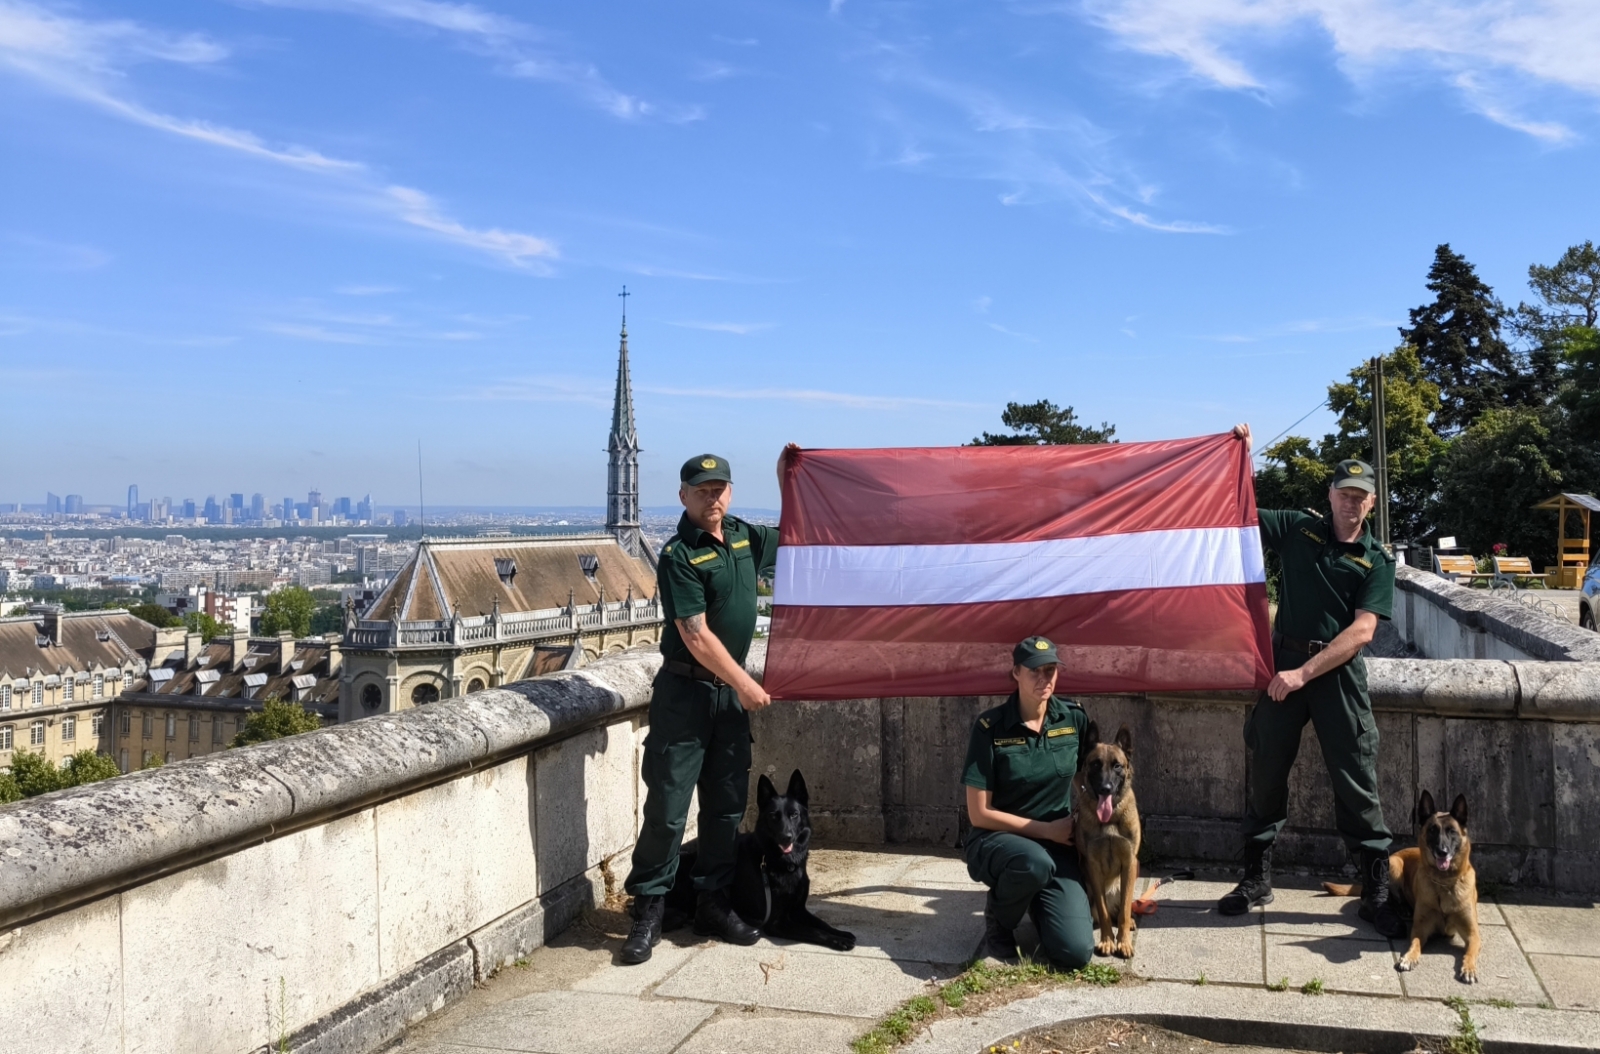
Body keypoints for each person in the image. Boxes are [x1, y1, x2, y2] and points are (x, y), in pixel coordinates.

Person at [620, 446, 799, 965]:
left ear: (730, 493)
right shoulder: (679, 554)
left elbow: (796, 537)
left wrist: (788, 477)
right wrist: (744, 682)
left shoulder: (743, 536)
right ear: (683, 496)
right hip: (686, 695)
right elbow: (695, 635)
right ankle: (648, 910)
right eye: (701, 492)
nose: (711, 498)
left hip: (728, 704)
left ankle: (712, 904)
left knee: (725, 808)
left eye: (718, 490)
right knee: (668, 808)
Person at [1222, 424, 1401, 936]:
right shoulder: (1299, 529)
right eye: (1345, 494)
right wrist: (1241, 459)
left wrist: (1304, 673)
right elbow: (1240, 515)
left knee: (1356, 779)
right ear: (1330, 495)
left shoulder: (1377, 560)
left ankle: (1375, 890)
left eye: (1360, 496)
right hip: (1282, 667)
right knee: (1266, 768)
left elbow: (1363, 631)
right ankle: (1255, 878)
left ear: (1371, 503)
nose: (1352, 503)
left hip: (1333, 675)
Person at [962, 635, 1094, 970]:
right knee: (1033, 863)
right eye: (1034, 670)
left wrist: (1095, 814)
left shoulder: (1073, 718)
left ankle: (1033, 897)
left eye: (1050, 670)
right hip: (998, 840)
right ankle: (1000, 916)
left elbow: (1084, 777)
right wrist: (1046, 830)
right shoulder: (990, 728)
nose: (1044, 678)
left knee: (1075, 952)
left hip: (1057, 846)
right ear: (1016, 673)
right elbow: (979, 813)